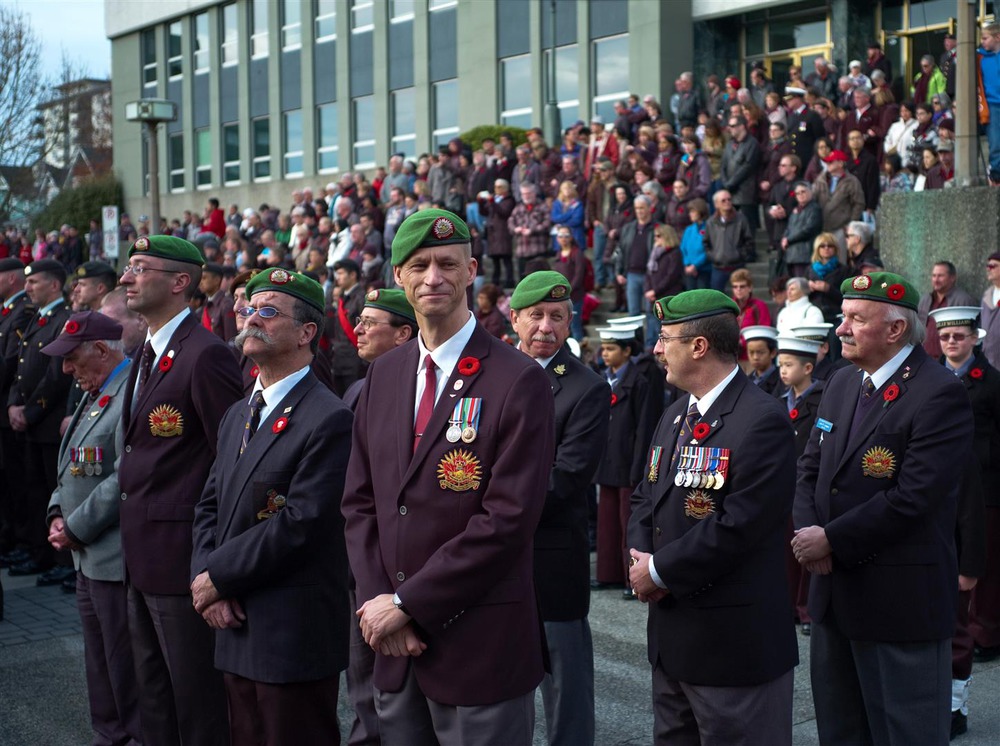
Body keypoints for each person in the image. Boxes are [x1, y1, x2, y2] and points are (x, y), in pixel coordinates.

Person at [342, 209, 555, 744]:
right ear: (399, 277)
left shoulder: (517, 378)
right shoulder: (384, 374)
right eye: (418, 265)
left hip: (479, 644)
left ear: (471, 271)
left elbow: (507, 520)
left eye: (446, 264)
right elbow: (359, 504)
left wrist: (408, 604)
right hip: (392, 645)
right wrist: (379, 605)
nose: (432, 277)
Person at [793, 271, 975, 746]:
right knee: (841, 732)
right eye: (842, 317)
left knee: (904, 733)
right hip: (833, 594)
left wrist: (830, 539)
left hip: (899, 602)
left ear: (895, 329)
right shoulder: (840, 382)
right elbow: (808, 471)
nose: (841, 329)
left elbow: (914, 497)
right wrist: (811, 534)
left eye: (855, 318)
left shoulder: (939, 392)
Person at [190, 268, 353, 745]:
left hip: (290, 630)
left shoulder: (329, 417)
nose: (251, 320)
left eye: (268, 312)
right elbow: (208, 506)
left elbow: (301, 523)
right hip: (233, 618)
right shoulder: (239, 413)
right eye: (248, 309)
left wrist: (218, 577)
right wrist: (206, 579)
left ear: (307, 333)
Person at [627, 289, 798, 745]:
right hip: (672, 641)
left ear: (698, 346)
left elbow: (740, 526)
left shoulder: (762, 420)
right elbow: (646, 495)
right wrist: (639, 556)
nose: (657, 349)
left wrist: (658, 571)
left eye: (665, 339)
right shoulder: (674, 414)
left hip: (732, 650)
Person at [117, 235, 243, 746]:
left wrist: (216, 567)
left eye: (139, 268)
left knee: (197, 706)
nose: (126, 278)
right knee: (155, 698)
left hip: (183, 561)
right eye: (128, 268)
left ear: (180, 282)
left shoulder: (205, 355)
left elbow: (231, 462)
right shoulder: (145, 350)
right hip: (140, 556)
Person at [508, 271, 609, 746]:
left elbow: (566, 478)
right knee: (499, 687)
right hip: (493, 558)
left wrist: (490, 509)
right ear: (515, 320)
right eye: (536, 316)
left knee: (565, 687)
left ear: (571, 324)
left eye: (557, 317)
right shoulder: (493, 375)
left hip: (550, 558)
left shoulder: (586, 388)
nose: (545, 327)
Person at [39, 311, 141, 745]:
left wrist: (74, 527)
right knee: (99, 662)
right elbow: (73, 466)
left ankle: (130, 735)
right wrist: (57, 512)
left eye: (72, 358)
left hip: (111, 554)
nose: (65, 369)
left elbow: (125, 474)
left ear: (101, 350)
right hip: (87, 553)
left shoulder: (130, 391)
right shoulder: (97, 388)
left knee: (123, 663)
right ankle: (109, 733)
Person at [926, 306, 990, 739]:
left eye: (959, 336)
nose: (951, 342)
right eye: (944, 336)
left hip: (961, 528)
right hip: (926, 540)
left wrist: (970, 564)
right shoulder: (930, 386)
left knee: (956, 629)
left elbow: (970, 503)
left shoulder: (988, 388)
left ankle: (955, 707)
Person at [7, 260, 73, 578]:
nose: (27, 287)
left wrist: (31, 412)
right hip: (29, 421)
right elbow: (21, 366)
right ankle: (37, 551)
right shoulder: (38, 318)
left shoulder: (64, 319)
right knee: (32, 490)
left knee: (52, 493)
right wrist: (12, 405)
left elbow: (57, 376)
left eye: (34, 283)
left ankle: (59, 560)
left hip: (47, 422)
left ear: (55, 285)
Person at [592, 323, 654, 598]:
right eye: (603, 348)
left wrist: (639, 464)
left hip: (629, 460)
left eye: (611, 348)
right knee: (607, 521)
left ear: (627, 350)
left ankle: (632, 578)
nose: (605, 354)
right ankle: (608, 574)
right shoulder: (604, 377)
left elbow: (644, 427)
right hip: (608, 460)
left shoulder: (639, 380)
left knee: (628, 522)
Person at [775, 334, 826, 635]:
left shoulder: (821, 400)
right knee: (785, 549)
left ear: (808, 368)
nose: (782, 371)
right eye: (780, 364)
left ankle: (806, 607)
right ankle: (789, 604)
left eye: (789, 365)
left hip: (807, 485)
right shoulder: (780, 400)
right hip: (784, 483)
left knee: (806, 543)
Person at [0, 259, 33, 571]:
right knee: (9, 482)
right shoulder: (9, 311)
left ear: (10, 277)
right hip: (5, 410)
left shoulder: (22, 311)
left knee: (18, 480)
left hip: (11, 408)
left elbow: (12, 363)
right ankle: (13, 536)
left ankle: (25, 539)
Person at [917, 261, 977, 360]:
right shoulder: (925, 299)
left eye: (940, 276)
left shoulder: (964, 300)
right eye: (934, 276)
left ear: (952, 278)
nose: (936, 280)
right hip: (925, 361)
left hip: (950, 363)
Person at [811, 150, 864, 256]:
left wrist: (851, 225)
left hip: (841, 228)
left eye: (831, 162)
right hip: (821, 228)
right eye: (827, 162)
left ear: (841, 163)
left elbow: (859, 204)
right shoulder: (820, 179)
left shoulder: (852, 181)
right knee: (822, 259)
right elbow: (813, 200)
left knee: (840, 259)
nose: (828, 164)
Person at [616, 195, 657, 322]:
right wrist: (618, 272)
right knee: (633, 313)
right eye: (637, 208)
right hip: (631, 274)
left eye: (642, 208)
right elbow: (620, 251)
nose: (639, 211)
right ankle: (636, 341)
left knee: (652, 312)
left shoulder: (657, 228)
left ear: (650, 208)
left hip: (650, 276)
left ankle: (651, 341)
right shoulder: (628, 228)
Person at [703, 190, 753, 292]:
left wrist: (740, 255)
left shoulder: (741, 219)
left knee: (741, 296)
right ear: (716, 204)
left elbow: (749, 241)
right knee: (717, 299)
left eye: (729, 199)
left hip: (738, 266)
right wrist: (714, 256)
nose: (727, 202)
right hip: (718, 267)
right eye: (723, 200)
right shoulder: (710, 222)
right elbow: (706, 243)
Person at [644, 225, 684, 350]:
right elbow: (649, 273)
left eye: (658, 236)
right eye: (655, 236)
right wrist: (648, 290)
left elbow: (671, 276)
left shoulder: (675, 253)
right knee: (651, 327)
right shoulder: (655, 253)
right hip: (653, 298)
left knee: (662, 329)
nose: (655, 239)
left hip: (667, 296)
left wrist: (655, 291)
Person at [781, 180, 823, 278]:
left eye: (803, 191)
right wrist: (784, 238)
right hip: (792, 254)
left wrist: (789, 239)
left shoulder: (814, 209)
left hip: (805, 254)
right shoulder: (795, 210)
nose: (800, 195)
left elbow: (809, 229)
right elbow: (788, 227)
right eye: (797, 193)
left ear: (810, 192)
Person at [806, 233, 848, 324]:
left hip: (835, 316)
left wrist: (828, 289)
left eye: (830, 245)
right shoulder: (809, 270)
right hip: (814, 316)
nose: (826, 248)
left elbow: (846, 297)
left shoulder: (844, 270)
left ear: (835, 248)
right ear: (817, 248)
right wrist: (807, 288)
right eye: (822, 246)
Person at [978, 24, 1000, 185]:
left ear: (997, 37)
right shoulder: (980, 58)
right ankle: (997, 173)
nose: (982, 41)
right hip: (992, 104)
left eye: (985, 38)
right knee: (995, 141)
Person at [679, 198, 711, 290]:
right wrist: (688, 265)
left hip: (704, 270)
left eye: (693, 211)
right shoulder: (689, 229)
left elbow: (709, 249)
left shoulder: (709, 228)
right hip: (689, 271)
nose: (690, 214)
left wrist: (695, 265)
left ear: (700, 211)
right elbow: (683, 248)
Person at [741, 325, 782, 395]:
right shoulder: (746, 381)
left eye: (760, 352)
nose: (755, 357)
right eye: (751, 352)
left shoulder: (782, 380)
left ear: (773, 353)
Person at [982, 252, 1000, 369]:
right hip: (988, 361)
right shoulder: (986, 295)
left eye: (993, 266)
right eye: (987, 266)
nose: (988, 269)